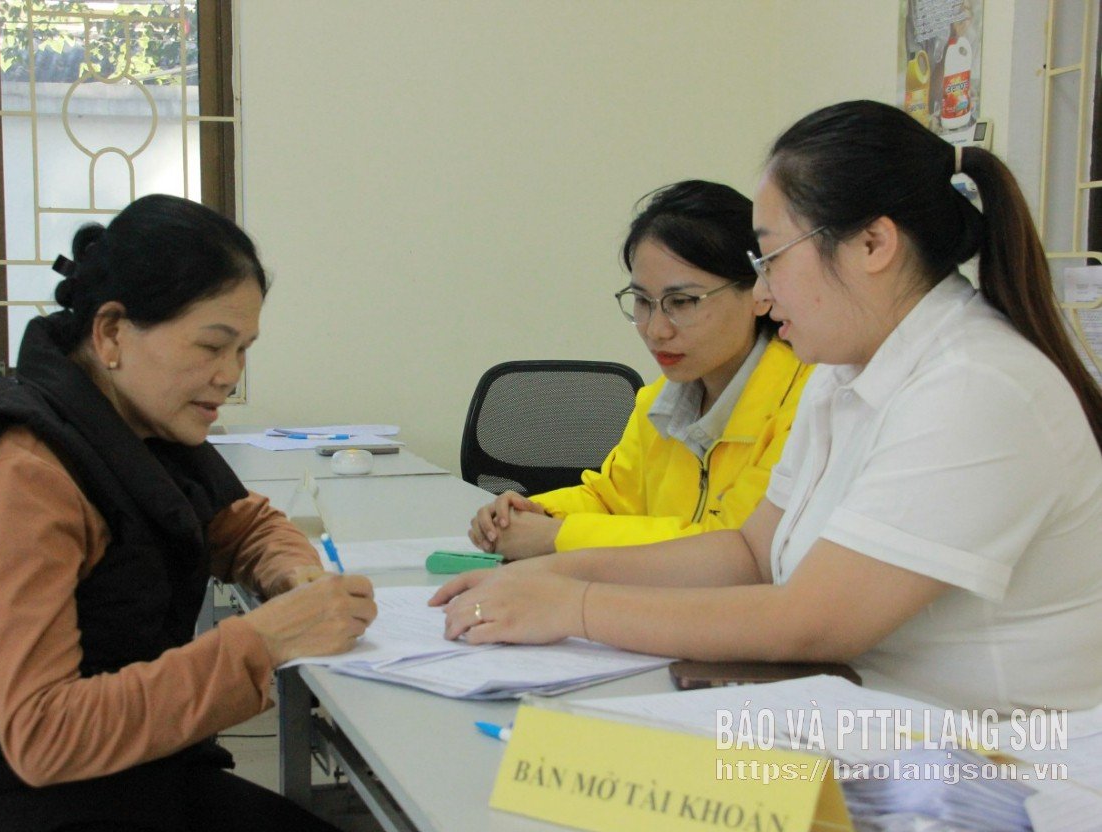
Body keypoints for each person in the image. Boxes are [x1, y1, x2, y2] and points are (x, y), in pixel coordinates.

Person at [433, 100, 1102, 714]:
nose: (762, 289)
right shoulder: (842, 373)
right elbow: (750, 553)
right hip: (866, 720)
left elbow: (811, 622)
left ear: (872, 244)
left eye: (771, 256)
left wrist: (573, 605)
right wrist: (556, 570)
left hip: (998, 768)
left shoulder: (976, 388)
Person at [0, 195, 388, 832]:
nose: (230, 376)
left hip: (104, 788)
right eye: (212, 345)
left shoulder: (133, 418)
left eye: (242, 350)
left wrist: (291, 574)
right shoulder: (23, 470)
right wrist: (261, 643)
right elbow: (44, 736)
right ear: (112, 333)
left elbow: (242, 523)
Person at [469, 181, 811, 560]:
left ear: (760, 293)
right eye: (643, 302)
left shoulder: (805, 406)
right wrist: (535, 513)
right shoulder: (661, 402)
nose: (655, 329)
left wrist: (558, 536)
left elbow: (732, 548)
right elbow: (611, 499)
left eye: (681, 302)